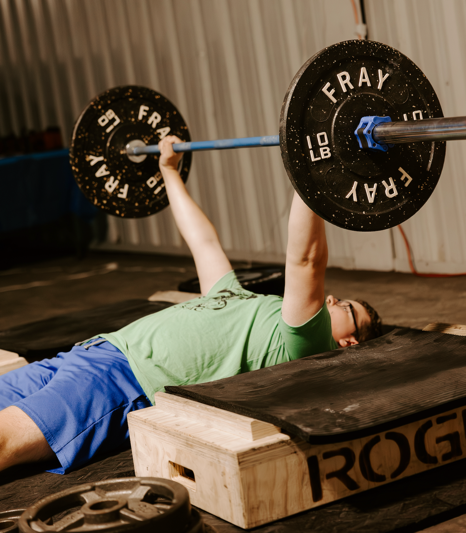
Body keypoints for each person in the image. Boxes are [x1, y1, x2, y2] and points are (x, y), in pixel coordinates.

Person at [0, 136, 382, 474]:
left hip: (120, 383)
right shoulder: (235, 296)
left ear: (348, 344)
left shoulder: (304, 345)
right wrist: (169, 172)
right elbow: (204, 242)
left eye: (346, 309)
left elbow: (306, 261)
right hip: (88, 353)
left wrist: (314, 162)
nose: (332, 299)